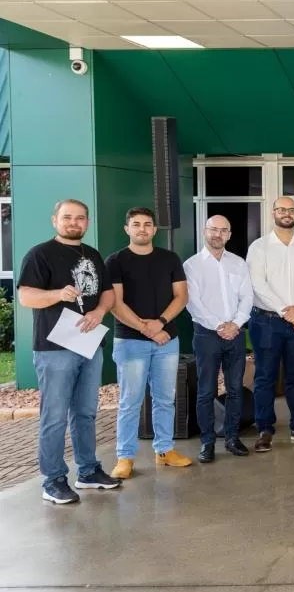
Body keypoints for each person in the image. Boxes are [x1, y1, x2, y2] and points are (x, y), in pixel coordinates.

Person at [17, 199, 121, 504]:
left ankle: (88, 470)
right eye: (67, 217)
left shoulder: (92, 254)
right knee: (55, 415)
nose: (73, 222)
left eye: (80, 218)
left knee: (86, 411)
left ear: (86, 222)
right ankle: (53, 480)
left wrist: (101, 311)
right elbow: (26, 296)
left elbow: (107, 293)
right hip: (55, 348)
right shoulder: (40, 254)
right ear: (55, 220)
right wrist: (56, 294)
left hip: (89, 344)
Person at [106, 207, 191, 478]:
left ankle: (165, 450)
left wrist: (161, 323)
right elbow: (115, 305)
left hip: (167, 339)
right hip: (130, 341)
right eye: (136, 224)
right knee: (130, 401)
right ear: (127, 229)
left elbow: (181, 297)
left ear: (155, 229)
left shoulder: (170, 259)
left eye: (147, 224)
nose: (142, 228)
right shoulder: (115, 261)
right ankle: (125, 457)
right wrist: (149, 329)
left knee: (165, 398)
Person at [246, 196, 294, 452]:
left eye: (291, 210)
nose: (287, 213)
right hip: (267, 320)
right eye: (282, 209)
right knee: (265, 377)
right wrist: (284, 310)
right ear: (273, 213)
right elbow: (257, 284)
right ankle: (265, 429)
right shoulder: (259, 247)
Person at [184, 215, 254, 463]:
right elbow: (193, 303)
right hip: (206, 335)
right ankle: (207, 442)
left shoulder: (238, 263)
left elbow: (247, 297)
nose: (218, 234)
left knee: (235, 389)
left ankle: (233, 437)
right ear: (205, 231)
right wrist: (219, 325)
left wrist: (235, 324)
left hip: (235, 334)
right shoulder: (191, 265)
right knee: (206, 391)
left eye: (223, 230)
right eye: (213, 229)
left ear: (230, 234)